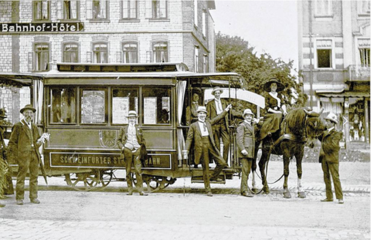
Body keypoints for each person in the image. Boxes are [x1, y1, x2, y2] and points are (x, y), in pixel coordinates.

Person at [183, 105, 231, 197]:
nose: (202, 115)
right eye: (200, 113)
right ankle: (208, 189)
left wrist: (226, 110)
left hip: (211, 146)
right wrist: (186, 150)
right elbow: (189, 139)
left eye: (203, 113)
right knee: (206, 169)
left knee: (222, 163)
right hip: (201, 148)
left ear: (205, 115)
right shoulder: (193, 126)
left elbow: (218, 118)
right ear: (197, 115)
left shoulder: (208, 123)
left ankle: (210, 178)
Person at [8, 104, 47, 205]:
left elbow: (36, 143)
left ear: (33, 115)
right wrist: (18, 155)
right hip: (23, 156)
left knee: (34, 177)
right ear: (23, 114)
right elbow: (12, 143)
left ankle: (33, 197)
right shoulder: (18, 126)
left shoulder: (34, 127)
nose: (29, 115)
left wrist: (41, 141)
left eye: (31, 113)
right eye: (27, 113)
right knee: (21, 177)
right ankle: (19, 198)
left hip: (34, 155)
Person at [117, 111, 148, 196]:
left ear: (135, 119)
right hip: (127, 151)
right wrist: (123, 148)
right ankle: (130, 190)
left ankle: (140, 190)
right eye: (130, 118)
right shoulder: (123, 129)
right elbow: (118, 140)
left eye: (133, 118)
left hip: (137, 151)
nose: (132, 120)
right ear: (128, 119)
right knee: (128, 171)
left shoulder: (139, 128)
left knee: (138, 171)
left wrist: (140, 147)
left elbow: (143, 140)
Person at [318, 112, 344, 204]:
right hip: (324, 158)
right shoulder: (325, 132)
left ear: (333, 123)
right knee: (326, 178)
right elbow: (318, 137)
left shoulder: (337, 133)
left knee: (335, 177)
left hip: (332, 158)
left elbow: (333, 146)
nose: (326, 123)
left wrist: (323, 145)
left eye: (328, 121)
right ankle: (329, 197)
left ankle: (340, 197)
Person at [236, 109, 259, 197]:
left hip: (250, 151)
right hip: (245, 151)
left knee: (248, 171)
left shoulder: (251, 125)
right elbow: (239, 139)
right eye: (247, 116)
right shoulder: (242, 126)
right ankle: (244, 190)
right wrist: (242, 149)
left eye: (250, 116)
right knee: (245, 171)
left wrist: (257, 121)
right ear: (244, 116)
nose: (249, 117)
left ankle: (245, 188)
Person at [206, 87, 230, 164]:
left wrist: (242, 115)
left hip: (223, 125)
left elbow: (230, 113)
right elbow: (208, 116)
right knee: (217, 145)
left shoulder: (225, 102)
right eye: (216, 93)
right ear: (214, 94)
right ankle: (219, 163)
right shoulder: (210, 104)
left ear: (220, 93)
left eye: (218, 93)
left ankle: (225, 162)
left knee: (226, 143)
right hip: (215, 126)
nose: (217, 94)